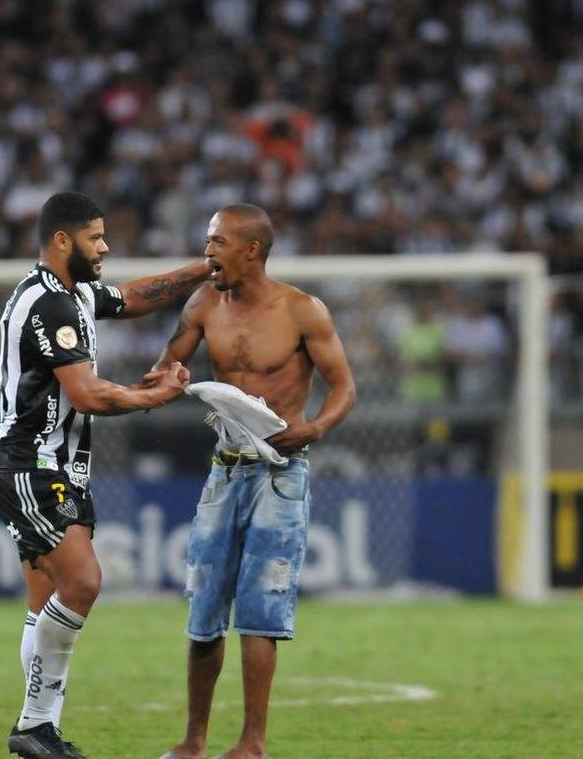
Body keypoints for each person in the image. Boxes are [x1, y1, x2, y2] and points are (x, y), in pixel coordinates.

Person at [0, 191, 211, 759]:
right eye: (96, 237)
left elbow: (135, 297)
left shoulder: (75, 292)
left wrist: (202, 269)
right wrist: (150, 395)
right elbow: (84, 393)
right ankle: (35, 725)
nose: (106, 246)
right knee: (83, 582)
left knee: (44, 606)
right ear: (62, 240)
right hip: (29, 464)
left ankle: (40, 732)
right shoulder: (50, 305)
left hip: (58, 465)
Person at [155, 204, 356, 759]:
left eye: (217, 242)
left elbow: (344, 387)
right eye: (206, 240)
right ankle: (193, 741)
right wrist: (165, 381)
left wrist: (313, 427)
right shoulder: (203, 303)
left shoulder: (302, 310)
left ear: (251, 250)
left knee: (261, 612)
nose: (208, 252)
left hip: (280, 474)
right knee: (203, 612)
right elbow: (168, 364)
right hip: (225, 470)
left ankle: (252, 743)